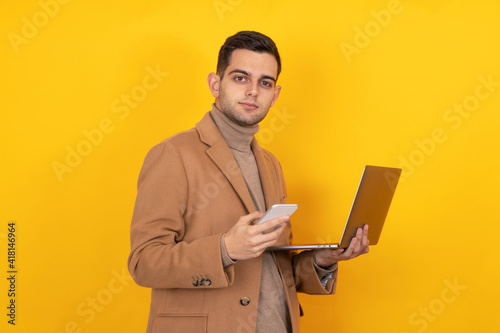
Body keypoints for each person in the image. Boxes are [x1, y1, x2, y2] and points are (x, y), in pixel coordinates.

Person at [128, 30, 369, 333]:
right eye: (240, 78)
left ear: (275, 94)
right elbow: (144, 262)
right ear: (216, 84)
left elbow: (273, 267)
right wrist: (225, 249)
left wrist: (323, 259)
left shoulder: (271, 165)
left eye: (264, 82)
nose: (253, 91)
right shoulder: (173, 154)